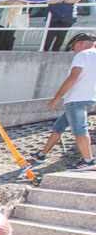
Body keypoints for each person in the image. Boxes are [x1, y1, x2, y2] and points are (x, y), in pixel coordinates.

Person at [29, 33, 96, 170]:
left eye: (74, 46)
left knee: (80, 129)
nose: (74, 50)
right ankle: (41, 155)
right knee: (59, 126)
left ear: (81, 43)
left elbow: (72, 78)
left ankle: (88, 161)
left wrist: (56, 98)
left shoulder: (83, 55)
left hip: (76, 99)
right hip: (88, 98)